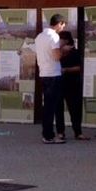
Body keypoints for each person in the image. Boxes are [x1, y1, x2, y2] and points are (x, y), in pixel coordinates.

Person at [35, 14, 66, 144]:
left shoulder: (39, 36)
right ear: (59, 24)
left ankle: (50, 133)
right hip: (53, 74)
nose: (63, 28)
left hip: (44, 74)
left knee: (48, 105)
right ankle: (48, 136)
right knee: (51, 107)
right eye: (63, 25)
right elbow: (56, 56)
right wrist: (64, 49)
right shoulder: (54, 36)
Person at [56, 31, 89, 140]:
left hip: (72, 84)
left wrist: (66, 69)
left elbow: (79, 68)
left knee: (75, 109)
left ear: (66, 40)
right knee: (59, 109)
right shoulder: (57, 52)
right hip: (59, 83)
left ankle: (78, 132)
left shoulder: (74, 52)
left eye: (60, 39)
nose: (58, 41)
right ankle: (60, 132)